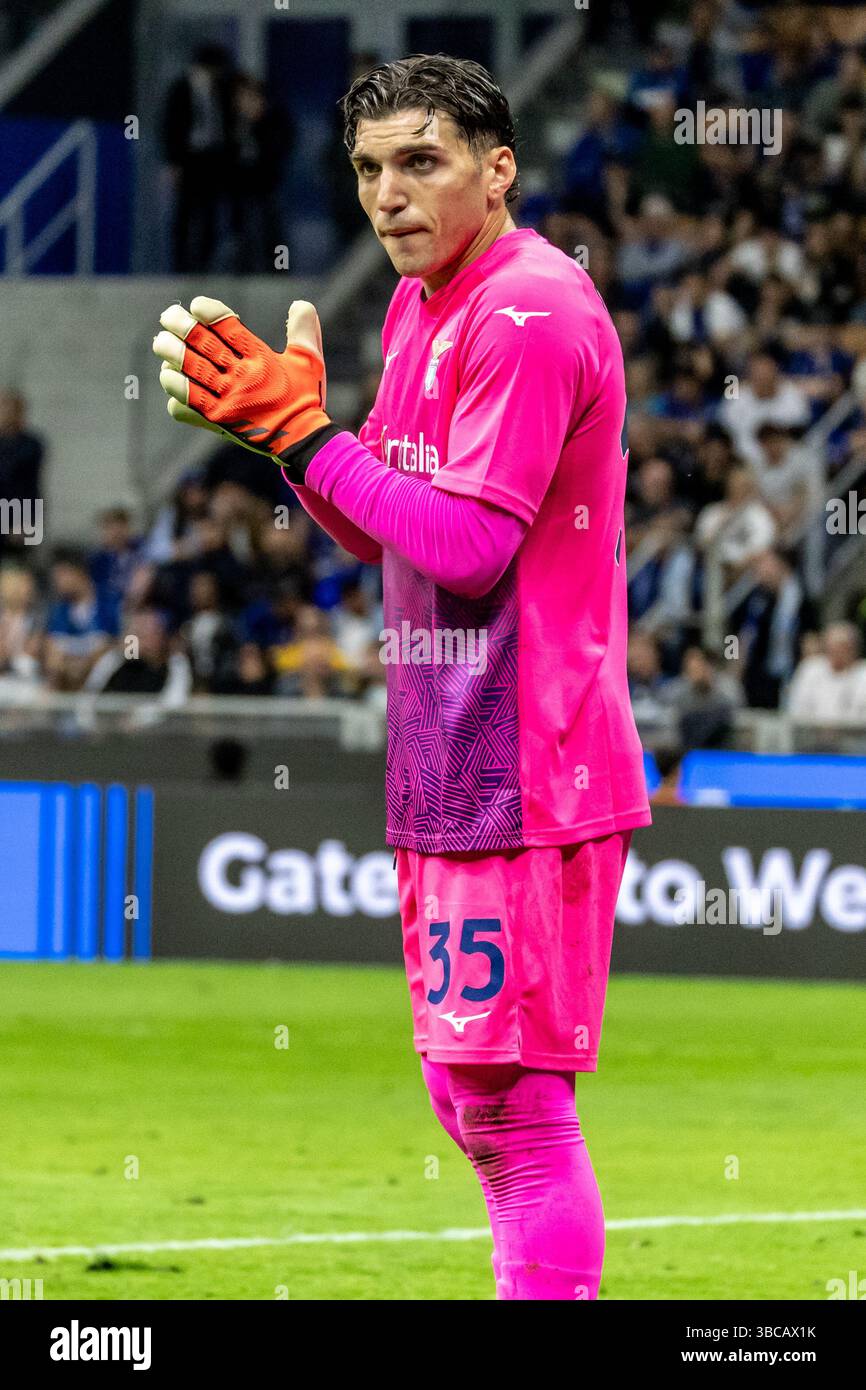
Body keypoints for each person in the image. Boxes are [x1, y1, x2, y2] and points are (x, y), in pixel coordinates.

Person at [153, 52, 652, 1300]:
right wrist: (294, 450)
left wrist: (306, 437)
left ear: (498, 172)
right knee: (467, 1093)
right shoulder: (422, 302)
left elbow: (475, 548)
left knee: (512, 1109)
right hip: (451, 744)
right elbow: (384, 523)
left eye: (420, 162)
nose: (387, 195)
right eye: (369, 169)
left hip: (529, 755)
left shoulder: (529, 310)